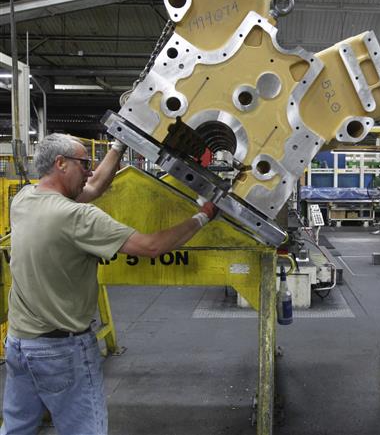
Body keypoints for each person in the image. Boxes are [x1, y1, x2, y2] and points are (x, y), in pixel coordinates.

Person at [1, 133, 218, 435]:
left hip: (19, 344)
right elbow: (152, 246)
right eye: (85, 163)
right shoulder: (77, 216)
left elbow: (94, 187)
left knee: (17, 428)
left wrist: (119, 143)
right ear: (60, 163)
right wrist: (203, 217)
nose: (90, 170)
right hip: (62, 351)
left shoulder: (25, 199)